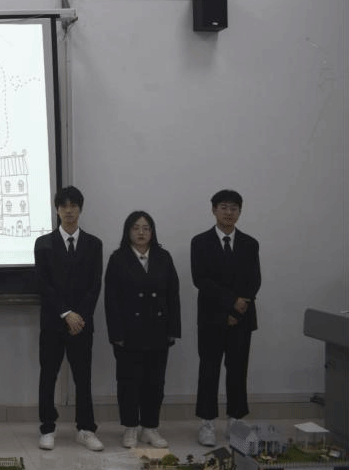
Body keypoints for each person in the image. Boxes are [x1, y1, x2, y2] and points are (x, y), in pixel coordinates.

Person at [33, 185, 104, 451]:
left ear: (80, 209)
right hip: (53, 322)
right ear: (57, 209)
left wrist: (79, 316)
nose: (69, 210)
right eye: (64, 206)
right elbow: (44, 284)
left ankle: (85, 429)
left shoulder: (94, 244)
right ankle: (47, 428)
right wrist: (66, 313)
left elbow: (95, 284)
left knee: (83, 378)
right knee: (48, 376)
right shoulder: (43, 243)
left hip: (81, 325)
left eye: (74, 206)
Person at [104, 211, 181, 449]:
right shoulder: (118, 258)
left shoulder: (163, 257)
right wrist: (116, 334)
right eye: (136, 227)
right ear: (128, 231)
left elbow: (173, 294)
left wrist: (173, 329)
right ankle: (130, 427)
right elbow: (111, 300)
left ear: (152, 232)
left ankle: (150, 427)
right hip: (128, 333)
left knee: (155, 383)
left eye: (146, 228)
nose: (141, 232)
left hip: (158, 330)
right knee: (129, 382)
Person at [191, 189, 261, 446]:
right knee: (208, 370)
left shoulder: (250, 243)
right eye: (224, 207)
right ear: (214, 210)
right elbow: (201, 280)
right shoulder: (200, 242)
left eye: (234, 208)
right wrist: (230, 305)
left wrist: (235, 311)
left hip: (242, 318)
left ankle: (236, 421)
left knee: (238, 370)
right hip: (211, 318)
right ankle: (207, 423)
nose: (229, 212)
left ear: (239, 212)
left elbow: (254, 281)